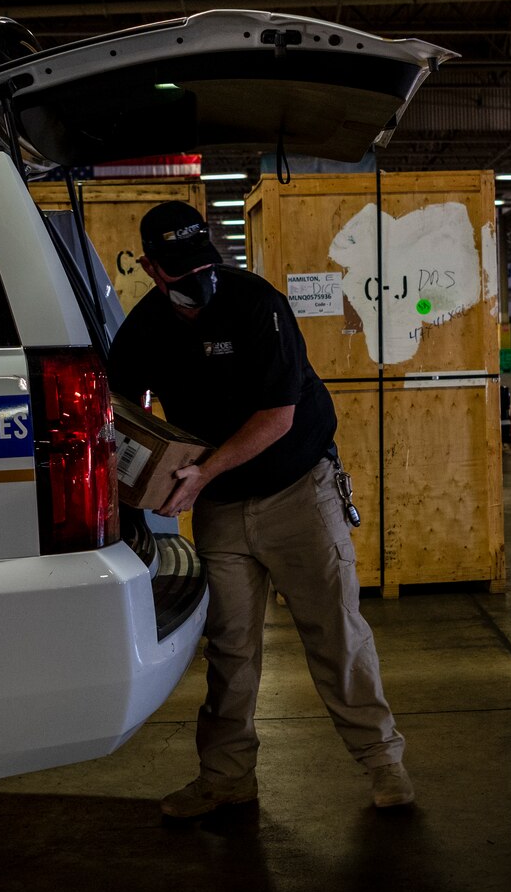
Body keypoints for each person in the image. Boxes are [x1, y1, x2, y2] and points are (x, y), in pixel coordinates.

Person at [108, 201, 412, 819]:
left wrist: (202, 471)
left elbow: (278, 417)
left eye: (201, 262)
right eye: (177, 268)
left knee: (336, 634)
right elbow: (122, 404)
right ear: (150, 267)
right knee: (231, 648)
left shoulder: (257, 305)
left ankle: (384, 765)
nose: (194, 278)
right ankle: (226, 779)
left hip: (297, 490)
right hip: (219, 506)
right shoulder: (145, 328)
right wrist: (141, 465)